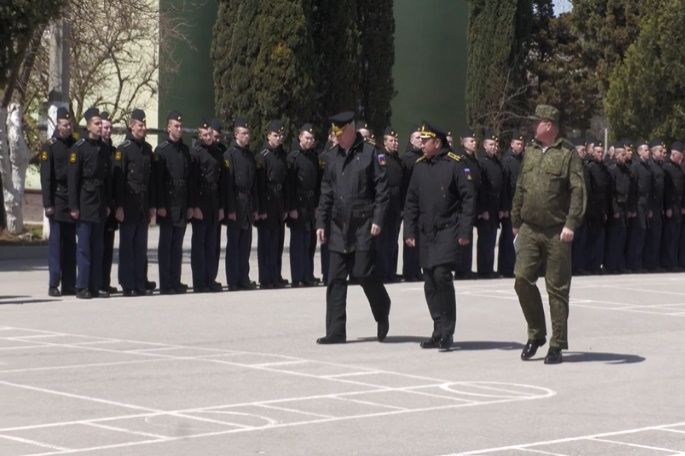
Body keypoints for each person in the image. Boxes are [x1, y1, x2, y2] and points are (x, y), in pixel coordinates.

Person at [511, 104, 586, 364]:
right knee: (521, 279)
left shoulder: (568, 154)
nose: (533, 125)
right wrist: (515, 220)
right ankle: (536, 334)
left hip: (557, 231)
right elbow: (520, 187)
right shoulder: (531, 151)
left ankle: (557, 344)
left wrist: (571, 224)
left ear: (549, 125)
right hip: (530, 228)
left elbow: (578, 190)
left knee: (557, 288)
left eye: (537, 121)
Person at [315, 111, 391, 344]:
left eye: (340, 133)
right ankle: (336, 331)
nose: (336, 137)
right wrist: (321, 222)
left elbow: (382, 190)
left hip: (363, 225)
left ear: (351, 129)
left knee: (363, 273)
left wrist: (378, 219)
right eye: (334, 133)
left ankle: (382, 308)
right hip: (338, 226)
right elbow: (326, 192)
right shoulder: (332, 156)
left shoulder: (370, 153)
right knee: (335, 279)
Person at [404, 122, 475, 351]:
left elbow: (468, 198)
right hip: (426, 232)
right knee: (429, 281)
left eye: (426, 141)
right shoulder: (419, 166)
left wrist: (465, 230)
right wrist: (409, 230)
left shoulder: (455, 164)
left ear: (437, 142)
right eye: (421, 141)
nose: (422, 145)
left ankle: (447, 331)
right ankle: (437, 328)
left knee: (442, 275)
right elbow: (411, 201)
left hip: (448, 229)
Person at [68, 107, 113, 299]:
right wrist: (73, 206)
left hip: (100, 202)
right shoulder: (78, 148)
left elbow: (108, 179)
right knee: (84, 248)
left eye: (101, 123)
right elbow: (73, 180)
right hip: (85, 202)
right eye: (96, 123)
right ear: (88, 126)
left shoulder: (105, 149)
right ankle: (82, 286)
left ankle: (94, 286)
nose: (100, 126)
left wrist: (108, 203)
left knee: (98, 247)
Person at [113, 109, 156, 296]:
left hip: (143, 204)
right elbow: (119, 181)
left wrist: (152, 206)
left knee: (140, 248)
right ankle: (127, 284)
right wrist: (119, 206)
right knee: (127, 247)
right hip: (128, 204)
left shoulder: (147, 150)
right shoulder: (123, 149)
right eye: (140, 125)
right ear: (131, 126)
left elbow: (151, 181)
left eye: (144, 125)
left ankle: (140, 282)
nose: (143, 128)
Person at [155, 111, 194, 294]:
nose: (179, 129)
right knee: (166, 245)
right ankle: (166, 283)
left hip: (182, 202)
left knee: (177, 246)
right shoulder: (161, 150)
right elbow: (158, 182)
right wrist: (160, 205)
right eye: (176, 126)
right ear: (168, 128)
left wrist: (190, 205)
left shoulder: (185, 151)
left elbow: (190, 180)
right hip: (168, 203)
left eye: (181, 126)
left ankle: (175, 281)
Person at [40, 107, 77, 296]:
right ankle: (53, 283)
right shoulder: (50, 146)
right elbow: (46, 177)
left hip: (72, 201)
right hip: (57, 199)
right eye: (64, 124)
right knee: (56, 245)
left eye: (70, 124)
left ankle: (69, 283)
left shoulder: (75, 144)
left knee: (70, 244)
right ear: (57, 124)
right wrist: (48, 204)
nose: (68, 128)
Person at [223, 117, 259, 290]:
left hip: (247, 203)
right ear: (236, 134)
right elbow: (228, 185)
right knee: (234, 245)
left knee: (245, 245)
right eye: (243, 133)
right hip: (236, 202)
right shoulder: (229, 155)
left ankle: (244, 278)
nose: (247, 136)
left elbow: (254, 184)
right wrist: (230, 209)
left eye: (248, 133)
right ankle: (233, 280)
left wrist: (255, 208)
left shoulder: (250, 155)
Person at [189, 119, 224, 293]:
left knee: (212, 244)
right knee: (199, 244)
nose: (208, 137)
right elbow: (192, 183)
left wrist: (221, 207)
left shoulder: (218, 153)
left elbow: (222, 182)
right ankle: (199, 281)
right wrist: (194, 206)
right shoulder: (195, 153)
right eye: (204, 135)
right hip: (201, 202)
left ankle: (211, 278)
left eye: (210, 134)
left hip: (214, 202)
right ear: (199, 135)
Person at [256, 120, 289, 289]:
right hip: (267, 202)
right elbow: (259, 185)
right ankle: (266, 278)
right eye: (276, 135)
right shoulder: (262, 156)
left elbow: (286, 183)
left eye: (281, 135)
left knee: (277, 242)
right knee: (266, 244)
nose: (279, 138)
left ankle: (276, 275)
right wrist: (261, 209)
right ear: (268, 136)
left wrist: (285, 207)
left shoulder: (282, 155)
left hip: (279, 202)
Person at [287, 123, 320, 287]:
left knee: (310, 241)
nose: (309, 141)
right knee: (298, 242)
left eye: (312, 138)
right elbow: (290, 185)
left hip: (310, 203)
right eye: (307, 138)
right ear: (300, 137)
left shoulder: (313, 157)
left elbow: (317, 183)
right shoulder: (293, 157)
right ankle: (297, 276)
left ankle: (308, 274)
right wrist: (292, 207)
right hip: (298, 203)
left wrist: (317, 204)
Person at [375, 127, 405, 282]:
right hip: (385, 202)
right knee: (383, 241)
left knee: (393, 241)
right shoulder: (381, 157)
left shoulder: (397, 160)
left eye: (396, 140)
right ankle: (383, 272)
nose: (395, 143)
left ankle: (391, 271)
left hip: (396, 204)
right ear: (385, 142)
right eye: (392, 140)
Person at [454, 128, 481, 279]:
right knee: (462, 236)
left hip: (472, 202)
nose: (474, 143)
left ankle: (467, 267)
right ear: (463, 143)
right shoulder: (460, 159)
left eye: (475, 141)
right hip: (462, 204)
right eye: (471, 141)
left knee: (469, 235)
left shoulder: (474, 161)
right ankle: (460, 269)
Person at [476, 130, 504, 278]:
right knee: (485, 240)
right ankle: (484, 269)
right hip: (486, 206)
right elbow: (481, 188)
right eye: (491, 144)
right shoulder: (482, 163)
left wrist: (501, 208)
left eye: (495, 145)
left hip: (495, 205)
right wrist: (483, 209)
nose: (494, 147)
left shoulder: (497, 163)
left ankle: (489, 267)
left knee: (492, 239)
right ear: (485, 146)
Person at [498, 131, 525, 277]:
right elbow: (504, 187)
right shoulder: (507, 161)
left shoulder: (523, 160)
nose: (520, 146)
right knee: (508, 238)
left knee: (520, 239)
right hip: (510, 206)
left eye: (522, 144)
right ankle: (505, 268)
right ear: (512, 144)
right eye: (517, 143)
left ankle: (517, 266)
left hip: (522, 206)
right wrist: (504, 207)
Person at [401, 127, 424, 281]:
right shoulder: (407, 159)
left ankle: (417, 269)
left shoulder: (424, 157)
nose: (420, 140)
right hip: (410, 204)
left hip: (422, 204)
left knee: (420, 239)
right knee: (410, 238)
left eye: (422, 138)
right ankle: (409, 271)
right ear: (410, 140)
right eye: (417, 138)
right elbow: (403, 184)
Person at [99, 112, 118, 294]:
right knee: (98, 246)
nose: (108, 130)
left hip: (111, 205)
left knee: (108, 247)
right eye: (105, 127)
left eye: (110, 127)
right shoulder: (96, 149)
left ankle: (105, 281)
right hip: (98, 205)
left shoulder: (113, 151)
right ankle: (97, 282)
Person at [661, 142, 684, 270]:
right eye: (680, 156)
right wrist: (668, 207)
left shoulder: (679, 168)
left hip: (678, 206)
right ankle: (669, 263)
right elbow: (667, 190)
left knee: (676, 236)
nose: (681, 159)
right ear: (674, 154)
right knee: (669, 236)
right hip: (671, 206)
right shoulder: (666, 168)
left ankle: (675, 261)